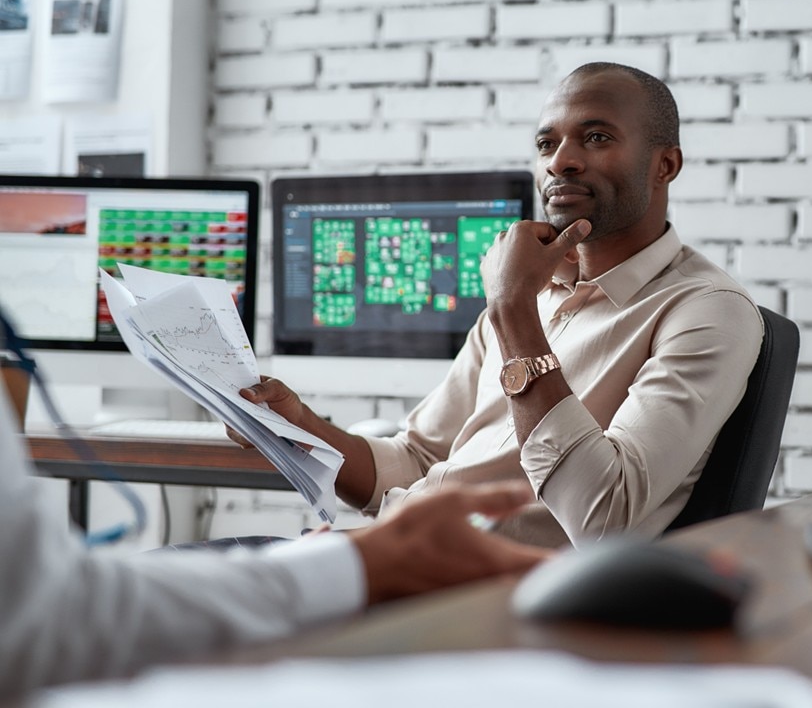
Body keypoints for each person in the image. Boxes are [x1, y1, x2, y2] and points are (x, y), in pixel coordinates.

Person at [231, 63, 763, 548]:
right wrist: (300, 425)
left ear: (664, 165)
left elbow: (603, 518)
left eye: (596, 138)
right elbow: (417, 461)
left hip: (471, 597)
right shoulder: (531, 295)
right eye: (546, 143)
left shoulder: (706, 311)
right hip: (380, 555)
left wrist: (512, 309)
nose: (562, 161)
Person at [0, 353, 548, 698]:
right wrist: (358, 561)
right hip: (395, 566)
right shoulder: (506, 310)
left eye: (593, 153)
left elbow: (609, 508)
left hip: (486, 582)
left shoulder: (529, 309)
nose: (563, 162)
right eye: (544, 154)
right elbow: (43, 619)